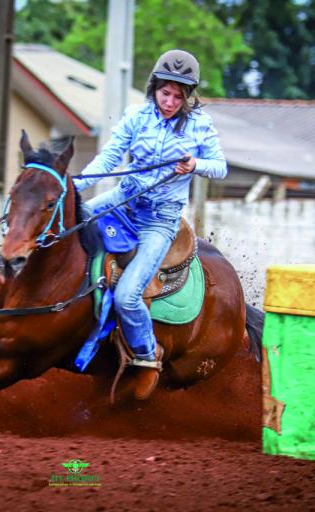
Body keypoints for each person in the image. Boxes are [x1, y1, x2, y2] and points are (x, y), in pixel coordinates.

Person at [75, 49, 227, 400]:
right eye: (165, 93)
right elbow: (108, 159)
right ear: (154, 88)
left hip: (159, 222)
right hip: (122, 200)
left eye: (178, 96)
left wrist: (196, 164)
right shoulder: (135, 116)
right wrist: (73, 187)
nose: (170, 102)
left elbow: (220, 166)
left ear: (188, 97)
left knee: (128, 296)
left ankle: (146, 356)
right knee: (66, 228)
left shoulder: (200, 125)